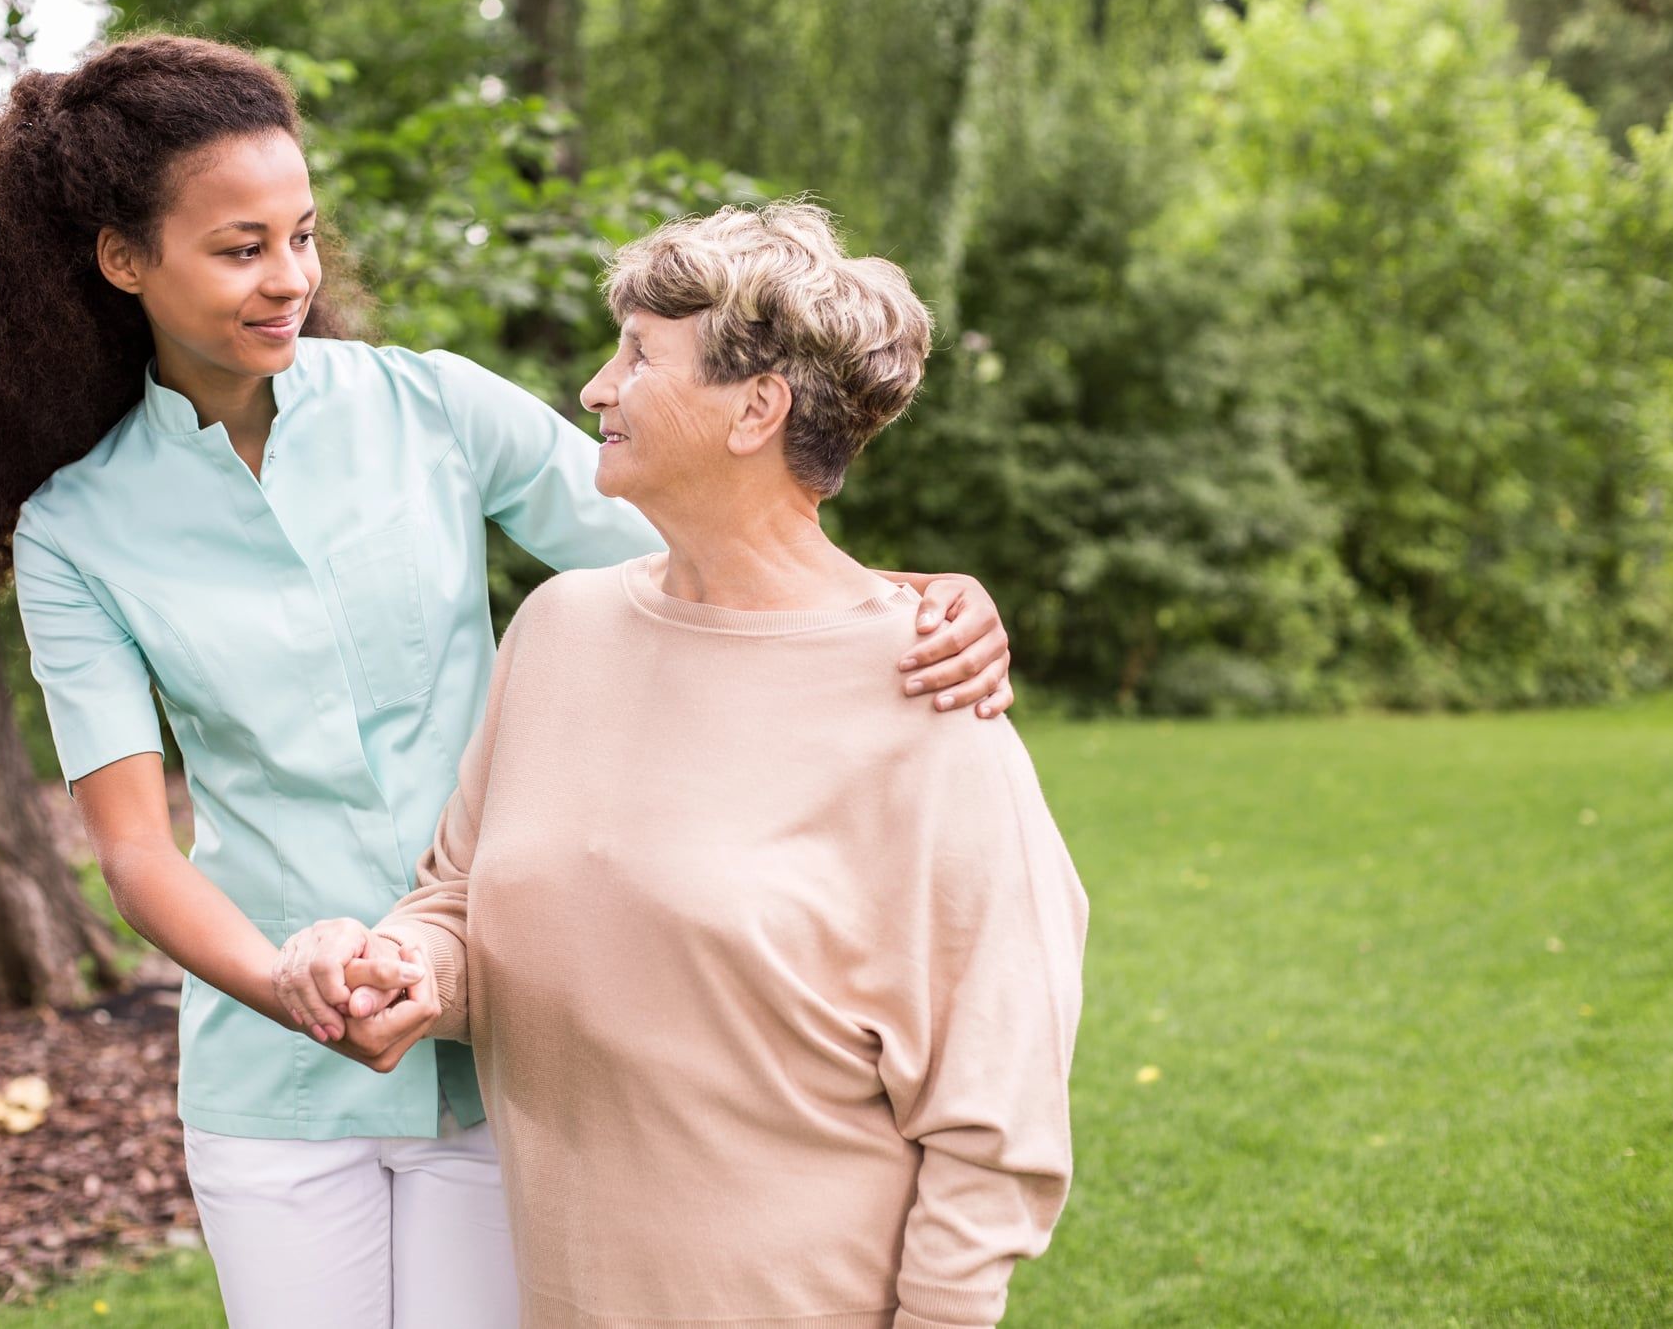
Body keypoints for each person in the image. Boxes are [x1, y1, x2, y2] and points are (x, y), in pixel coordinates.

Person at [0, 36, 1020, 1329]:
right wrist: (285, 984)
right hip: (272, 1083)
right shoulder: (75, 529)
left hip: (505, 1048)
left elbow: (723, 551)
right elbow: (136, 852)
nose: (290, 277)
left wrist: (906, 599)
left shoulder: (434, 409)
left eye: (303, 235)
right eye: (242, 248)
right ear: (123, 260)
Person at [276, 202, 1088, 1328]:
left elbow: (995, 1105)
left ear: (757, 408)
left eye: (638, 357)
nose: (595, 390)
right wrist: (405, 966)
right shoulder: (559, 629)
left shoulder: (931, 702)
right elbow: (461, 897)